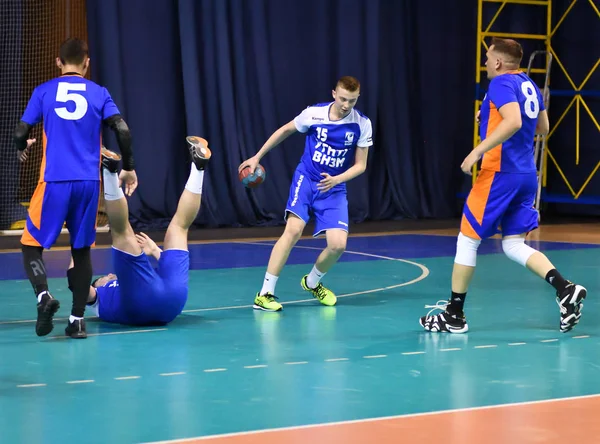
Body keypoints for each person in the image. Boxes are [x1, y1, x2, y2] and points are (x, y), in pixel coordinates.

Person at [419, 37, 586, 334]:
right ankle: (565, 288)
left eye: (487, 57)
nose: (485, 62)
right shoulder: (528, 84)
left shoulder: (499, 84)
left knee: (468, 240)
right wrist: (490, 117)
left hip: (499, 174)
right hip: (525, 174)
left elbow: (514, 122)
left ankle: (454, 315)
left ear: (497, 61)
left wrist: (477, 150)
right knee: (512, 244)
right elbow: (542, 127)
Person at [12, 38, 137, 339]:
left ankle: (44, 298)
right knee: (81, 252)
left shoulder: (43, 91)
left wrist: (23, 144)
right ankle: (76, 320)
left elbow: (19, 132)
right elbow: (121, 129)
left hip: (54, 180)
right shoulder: (99, 93)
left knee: (31, 246)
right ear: (86, 63)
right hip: (87, 184)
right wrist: (129, 167)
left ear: (58, 62)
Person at [238, 76, 373, 312]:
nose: (345, 105)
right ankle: (265, 294)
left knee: (338, 245)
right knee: (293, 230)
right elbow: (284, 131)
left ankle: (312, 282)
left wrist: (337, 180)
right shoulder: (314, 114)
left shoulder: (361, 123)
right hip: (307, 179)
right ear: (333, 94)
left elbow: (361, 165)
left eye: (351, 101)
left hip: (334, 187)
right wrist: (257, 157)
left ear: (357, 98)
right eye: (342, 99)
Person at [72, 138, 209, 326]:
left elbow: (75, 282)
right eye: (103, 278)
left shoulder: (127, 284)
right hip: (144, 301)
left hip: (172, 303)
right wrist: (78, 253)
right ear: (99, 284)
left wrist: (155, 251)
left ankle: (198, 168)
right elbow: (78, 285)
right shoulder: (99, 298)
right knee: (123, 231)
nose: (109, 275)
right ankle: (109, 171)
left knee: (178, 227)